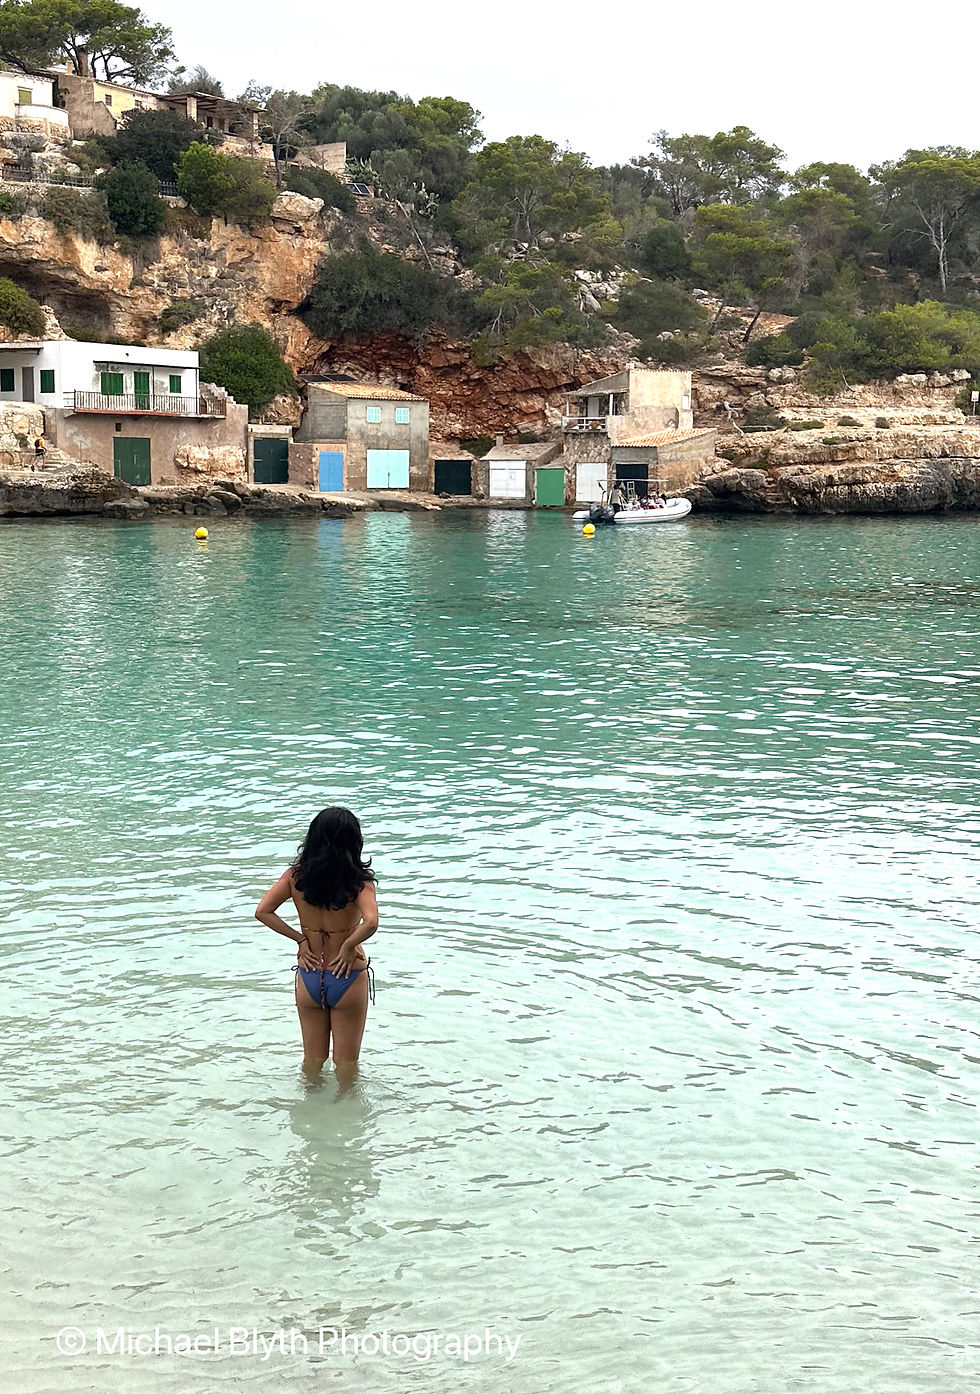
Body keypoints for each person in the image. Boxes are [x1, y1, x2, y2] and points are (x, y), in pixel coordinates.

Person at [255, 806, 378, 1082]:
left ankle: (308, 1115)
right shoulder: (359, 884)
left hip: (309, 975)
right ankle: (347, 1120)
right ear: (353, 843)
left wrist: (300, 939)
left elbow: (263, 911)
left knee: (312, 1061)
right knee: (346, 1065)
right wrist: (348, 946)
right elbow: (371, 922)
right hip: (345, 973)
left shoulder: (295, 878)